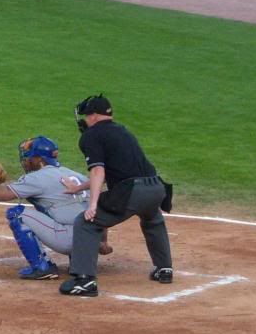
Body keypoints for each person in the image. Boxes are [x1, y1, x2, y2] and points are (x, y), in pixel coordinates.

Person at [59, 94, 173, 297]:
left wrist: (92, 205)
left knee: (86, 223)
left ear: (93, 116)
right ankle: (164, 269)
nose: (85, 120)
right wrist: (79, 188)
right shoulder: (122, 131)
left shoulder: (91, 136)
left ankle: (84, 280)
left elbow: (98, 171)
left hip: (133, 191)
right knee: (152, 219)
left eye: (86, 116)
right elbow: (116, 170)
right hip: (156, 188)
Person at [0, 137, 111, 280]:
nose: (25, 161)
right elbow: (99, 206)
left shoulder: (37, 178)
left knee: (17, 214)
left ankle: (42, 267)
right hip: (92, 239)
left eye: (28, 157)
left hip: (69, 240)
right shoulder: (75, 175)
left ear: (39, 160)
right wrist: (103, 241)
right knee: (66, 209)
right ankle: (79, 262)